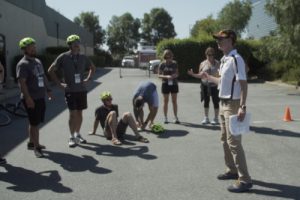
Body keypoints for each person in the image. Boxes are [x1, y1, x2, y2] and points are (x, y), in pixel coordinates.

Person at [200, 29, 252, 193]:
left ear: (231, 40)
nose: (218, 41)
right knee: (224, 139)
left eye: (221, 39)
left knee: (234, 142)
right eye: (217, 39)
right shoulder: (225, 59)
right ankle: (232, 170)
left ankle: (245, 180)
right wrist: (208, 77)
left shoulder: (237, 59)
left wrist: (243, 106)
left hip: (233, 104)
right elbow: (222, 82)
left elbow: (243, 84)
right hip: (223, 104)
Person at [48, 34, 95, 148]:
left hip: (81, 90)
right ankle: (71, 137)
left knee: (79, 113)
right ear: (70, 45)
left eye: (78, 43)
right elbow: (50, 70)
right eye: (74, 43)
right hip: (70, 90)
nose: (76, 45)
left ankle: (77, 134)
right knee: (72, 114)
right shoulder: (63, 57)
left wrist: (88, 79)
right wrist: (59, 84)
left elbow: (92, 68)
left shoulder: (83, 57)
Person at [16, 37, 52, 158]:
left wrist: (48, 90)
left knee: (34, 122)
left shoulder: (37, 61)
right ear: (24, 49)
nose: (33, 48)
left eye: (34, 46)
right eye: (30, 47)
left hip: (40, 96)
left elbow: (43, 76)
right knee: (35, 123)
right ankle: (37, 148)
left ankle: (31, 143)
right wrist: (28, 98)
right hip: (31, 98)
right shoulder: (23, 64)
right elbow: (22, 82)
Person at [188, 47, 220, 125]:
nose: (210, 56)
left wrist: (215, 77)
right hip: (205, 85)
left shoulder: (218, 63)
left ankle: (216, 118)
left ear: (214, 55)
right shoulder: (202, 63)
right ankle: (206, 118)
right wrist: (193, 74)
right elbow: (200, 75)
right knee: (206, 101)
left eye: (211, 54)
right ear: (206, 55)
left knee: (216, 101)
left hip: (214, 85)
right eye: (208, 54)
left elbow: (220, 75)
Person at [158, 49, 180, 124]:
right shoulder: (162, 64)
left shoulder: (175, 63)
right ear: (164, 57)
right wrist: (166, 76)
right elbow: (159, 75)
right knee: (165, 101)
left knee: (174, 101)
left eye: (169, 57)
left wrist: (174, 75)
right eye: (166, 58)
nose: (168, 59)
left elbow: (177, 74)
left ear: (171, 57)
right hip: (165, 83)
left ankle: (175, 117)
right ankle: (165, 117)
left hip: (174, 84)